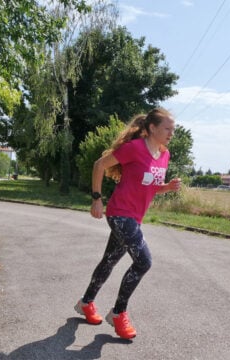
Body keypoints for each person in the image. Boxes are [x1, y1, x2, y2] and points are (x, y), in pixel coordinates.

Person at [74, 108, 181, 339]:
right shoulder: (134, 148)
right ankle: (118, 313)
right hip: (119, 213)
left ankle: (85, 302)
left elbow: (150, 185)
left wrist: (167, 187)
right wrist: (96, 199)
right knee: (143, 262)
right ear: (152, 128)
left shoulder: (164, 155)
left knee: (109, 261)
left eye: (173, 129)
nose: (171, 133)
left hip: (135, 217)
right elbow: (99, 165)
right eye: (167, 128)